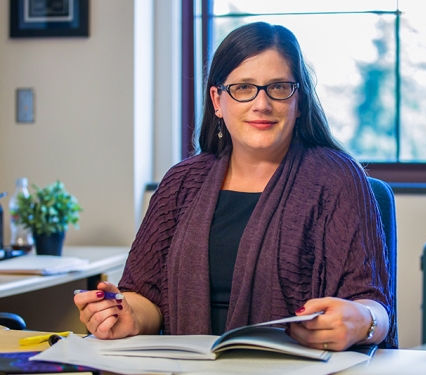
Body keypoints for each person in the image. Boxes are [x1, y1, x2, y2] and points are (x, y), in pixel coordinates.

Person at [74, 21, 398, 350]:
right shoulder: (180, 183)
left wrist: (361, 321)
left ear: (297, 100)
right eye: (243, 88)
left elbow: (375, 307)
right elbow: (144, 298)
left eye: (279, 87)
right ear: (217, 100)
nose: (262, 104)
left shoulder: (337, 178)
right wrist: (125, 315)